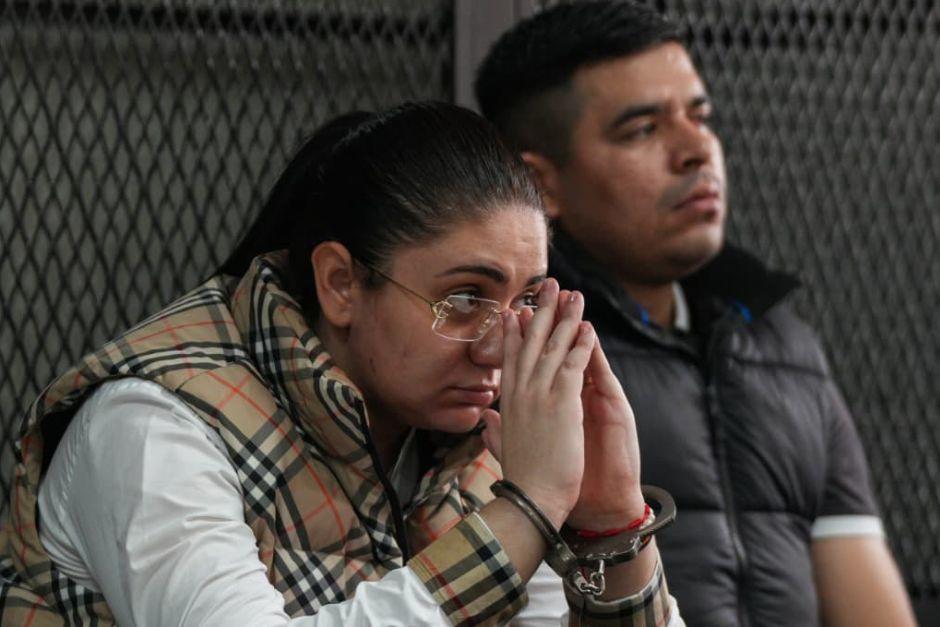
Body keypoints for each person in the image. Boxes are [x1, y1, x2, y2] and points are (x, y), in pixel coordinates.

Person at [0, 102, 683, 626]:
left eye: (526, 300)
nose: (498, 346)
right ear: (340, 284)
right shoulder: (152, 421)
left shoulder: (476, 446)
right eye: (464, 299)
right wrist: (526, 513)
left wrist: (609, 525)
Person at [475, 3, 916, 626]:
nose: (695, 150)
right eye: (641, 129)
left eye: (699, 117)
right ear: (540, 185)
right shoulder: (515, 357)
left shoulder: (785, 348)